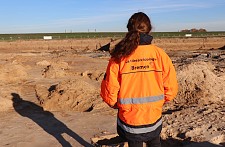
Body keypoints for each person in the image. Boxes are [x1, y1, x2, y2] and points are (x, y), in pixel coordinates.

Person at [100, 12, 178, 147]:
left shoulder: (119, 56)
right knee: (155, 142)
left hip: (130, 120)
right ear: (149, 29)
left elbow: (109, 90)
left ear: (129, 29)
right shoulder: (160, 54)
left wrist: (116, 105)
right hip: (153, 117)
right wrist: (157, 103)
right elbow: (171, 88)